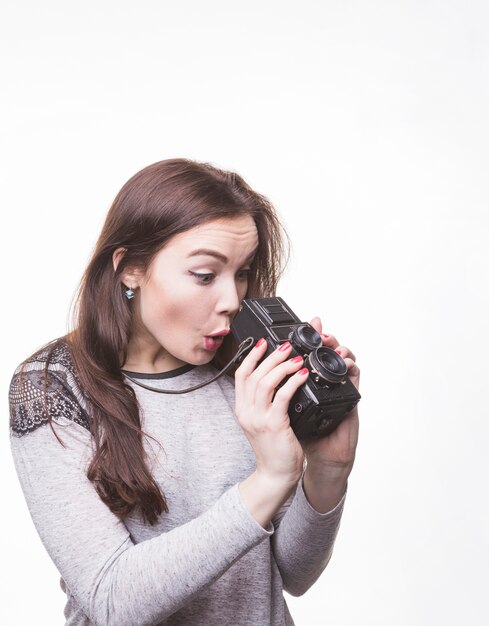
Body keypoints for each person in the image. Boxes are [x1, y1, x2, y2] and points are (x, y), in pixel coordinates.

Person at [8, 158, 360, 625]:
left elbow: (291, 575)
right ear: (130, 268)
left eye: (241, 273)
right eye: (204, 275)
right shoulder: (52, 387)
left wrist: (328, 469)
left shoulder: (247, 372)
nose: (233, 300)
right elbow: (113, 601)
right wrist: (270, 480)